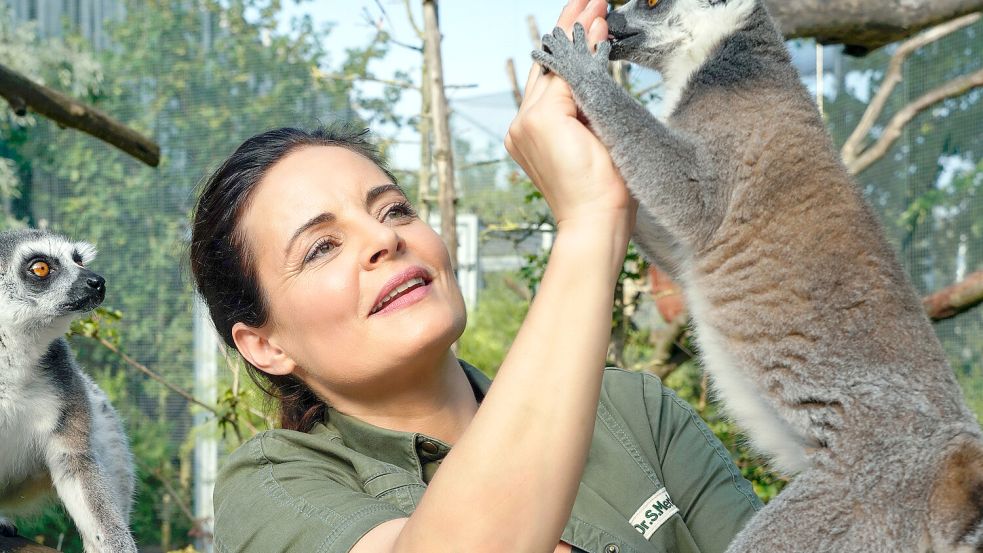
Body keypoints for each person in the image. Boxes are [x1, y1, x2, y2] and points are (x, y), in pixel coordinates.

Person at [190, 1, 761, 551]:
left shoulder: (635, 412)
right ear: (263, 345)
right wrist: (590, 223)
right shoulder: (272, 490)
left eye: (393, 209)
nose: (384, 239)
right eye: (321, 248)